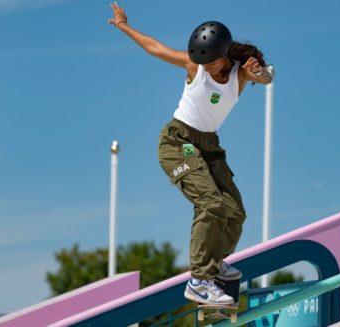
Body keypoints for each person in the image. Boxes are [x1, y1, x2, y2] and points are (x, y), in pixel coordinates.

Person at [108, 2, 273, 305]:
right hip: (177, 143)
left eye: (210, 63)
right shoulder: (193, 66)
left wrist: (260, 73)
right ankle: (199, 280)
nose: (205, 68)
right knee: (211, 204)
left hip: (208, 147)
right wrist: (123, 25)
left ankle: (214, 262)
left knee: (235, 213)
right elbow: (154, 47)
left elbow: (266, 79)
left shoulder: (240, 73)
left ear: (224, 56)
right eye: (201, 63)